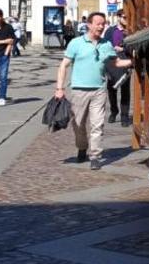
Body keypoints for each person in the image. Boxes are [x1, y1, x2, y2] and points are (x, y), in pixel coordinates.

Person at [54, 12, 133, 170]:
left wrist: (133, 61)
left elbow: (116, 62)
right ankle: (82, 147)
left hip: (99, 90)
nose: (101, 26)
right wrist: (59, 88)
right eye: (98, 23)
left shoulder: (106, 44)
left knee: (97, 125)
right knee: (78, 124)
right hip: (78, 90)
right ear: (89, 25)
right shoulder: (76, 43)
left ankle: (95, 155)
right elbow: (64, 65)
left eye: (103, 23)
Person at [104, 10, 131, 126]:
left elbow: (133, 47)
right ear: (118, 17)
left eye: (127, 17)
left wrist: (123, 49)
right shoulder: (110, 31)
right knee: (111, 89)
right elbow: (104, 46)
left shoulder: (130, 31)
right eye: (124, 17)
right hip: (112, 63)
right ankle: (114, 111)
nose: (126, 19)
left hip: (126, 62)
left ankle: (124, 116)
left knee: (125, 90)